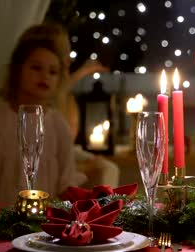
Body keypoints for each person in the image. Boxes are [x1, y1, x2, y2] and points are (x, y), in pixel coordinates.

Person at [0, 26, 87, 204]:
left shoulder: (58, 125)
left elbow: (66, 181)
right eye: (36, 68)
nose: (44, 76)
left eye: (52, 71)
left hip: (43, 223)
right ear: (17, 70)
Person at [18, 23, 119, 189]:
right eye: (64, 51)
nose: (69, 58)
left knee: (108, 168)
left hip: (67, 153)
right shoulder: (41, 104)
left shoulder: (59, 98)